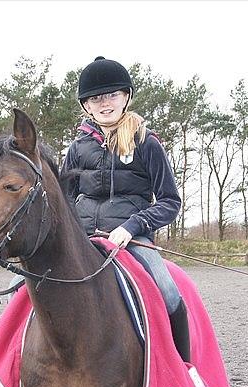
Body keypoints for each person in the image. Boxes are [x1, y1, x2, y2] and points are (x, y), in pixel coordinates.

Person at [61, 56, 190, 362]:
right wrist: (70, 234)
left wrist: (131, 226)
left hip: (131, 240)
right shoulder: (77, 149)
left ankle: (185, 370)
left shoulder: (147, 143)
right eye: (96, 98)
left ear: (126, 97)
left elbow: (171, 202)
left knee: (169, 292)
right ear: (86, 106)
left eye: (112, 95)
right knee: (19, 286)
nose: (105, 103)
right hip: (82, 239)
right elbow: (64, 201)